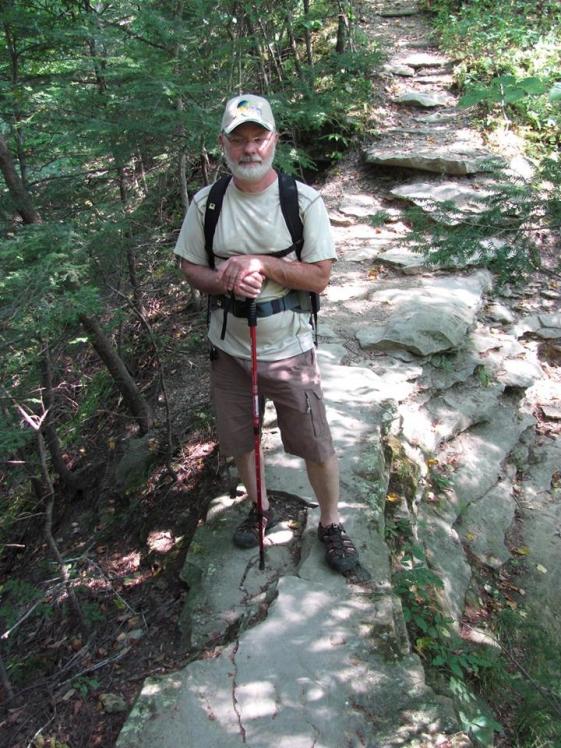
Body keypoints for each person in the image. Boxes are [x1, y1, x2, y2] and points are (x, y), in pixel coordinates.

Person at [174, 93, 359, 573]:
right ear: (223, 145)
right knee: (241, 439)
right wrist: (225, 279)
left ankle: (332, 521)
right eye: (239, 141)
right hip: (228, 348)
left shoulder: (302, 201)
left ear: (274, 141)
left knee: (315, 442)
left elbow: (320, 276)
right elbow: (190, 266)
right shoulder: (207, 204)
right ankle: (260, 508)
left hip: (291, 348)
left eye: (258, 139)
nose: (249, 150)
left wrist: (262, 263)